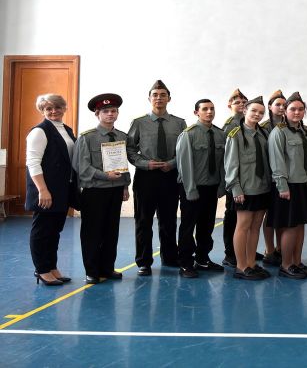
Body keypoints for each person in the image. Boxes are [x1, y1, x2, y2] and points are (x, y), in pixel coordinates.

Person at [126, 80, 187, 276]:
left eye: (163, 95)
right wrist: (145, 164)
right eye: (155, 95)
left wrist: (173, 163)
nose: (159, 98)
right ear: (149, 98)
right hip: (146, 177)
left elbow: (184, 150)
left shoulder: (179, 123)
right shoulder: (139, 123)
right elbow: (129, 149)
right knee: (143, 220)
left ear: (169, 98)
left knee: (168, 220)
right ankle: (143, 261)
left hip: (170, 176)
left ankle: (170, 257)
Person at [72, 93, 130, 284]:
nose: (110, 114)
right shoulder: (87, 137)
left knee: (111, 231)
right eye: (105, 111)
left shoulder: (121, 136)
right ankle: (92, 270)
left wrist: (125, 185)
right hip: (95, 190)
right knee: (92, 231)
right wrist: (105, 176)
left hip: (115, 190)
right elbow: (82, 166)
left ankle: (107, 267)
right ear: (97, 114)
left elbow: (123, 165)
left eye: (113, 111)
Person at [267, 92, 307, 279]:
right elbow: (277, 162)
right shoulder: (279, 132)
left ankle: (297, 262)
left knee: (300, 226)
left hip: (306, 184)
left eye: (300, 109)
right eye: (293, 109)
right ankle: (286, 265)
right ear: (285, 111)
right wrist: (282, 186)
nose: (297, 112)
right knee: (290, 227)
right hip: (289, 186)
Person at [25, 93, 77, 286]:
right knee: (42, 232)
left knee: (54, 231)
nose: (54, 111)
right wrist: (42, 190)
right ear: (42, 111)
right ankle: (41, 270)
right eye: (48, 108)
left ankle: (52, 267)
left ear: (64, 108)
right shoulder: (39, 131)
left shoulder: (66, 129)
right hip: (46, 190)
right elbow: (33, 163)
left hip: (62, 189)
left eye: (57, 107)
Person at [175, 99, 227, 278]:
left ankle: (203, 259)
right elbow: (184, 165)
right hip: (193, 188)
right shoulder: (188, 134)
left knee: (207, 226)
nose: (209, 112)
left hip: (211, 188)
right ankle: (185, 263)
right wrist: (190, 189)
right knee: (188, 227)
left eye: (212, 108)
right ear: (196, 112)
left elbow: (223, 163)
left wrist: (222, 185)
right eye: (205, 109)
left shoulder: (220, 134)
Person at [225, 96, 272, 280]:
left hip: (262, 187)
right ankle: (241, 266)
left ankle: (251, 263)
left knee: (255, 227)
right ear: (245, 110)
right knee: (243, 226)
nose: (257, 115)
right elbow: (230, 165)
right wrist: (236, 189)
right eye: (254, 111)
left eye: (261, 112)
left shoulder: (264, 134)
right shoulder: (235, 134)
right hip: (245, 189)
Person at [221, 88, 248, 268]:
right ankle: (230, 253)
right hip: (234, 179)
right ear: (229, 105)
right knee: (232, 216)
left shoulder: (249, 122)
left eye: (244, 102)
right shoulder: (230, 125)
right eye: (237, 102)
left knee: (245, 217)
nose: (241, 105)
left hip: (248, 178)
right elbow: (227, 157)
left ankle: (243, 250)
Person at [260, 89, 287, 266]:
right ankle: (269, 250)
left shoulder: (290, 124)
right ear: (270, 107)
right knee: (269, 215)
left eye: (284, 105)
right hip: (268, 177)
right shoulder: (263, 128)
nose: (281, 107)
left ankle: (280, 248)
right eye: (278, 104)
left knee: (282, 215)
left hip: (286, 177)